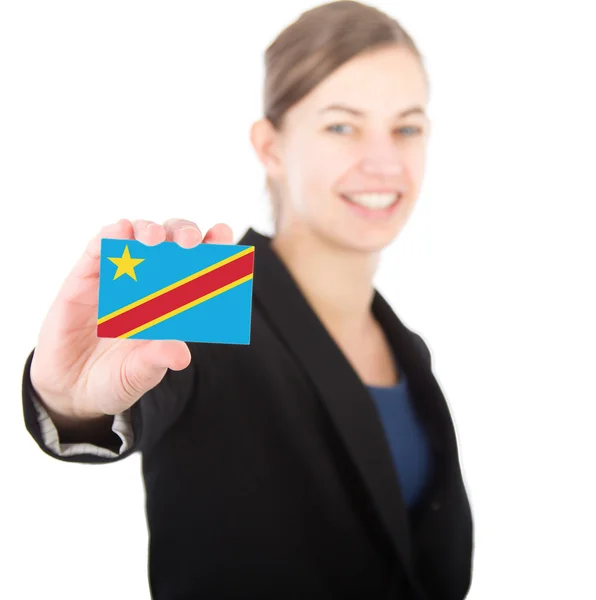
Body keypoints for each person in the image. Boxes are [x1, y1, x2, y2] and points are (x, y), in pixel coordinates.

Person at [21, 1, 474, 598]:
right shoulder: (200, 293)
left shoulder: (408, 348)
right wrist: (68, 401)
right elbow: (111, 394)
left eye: (406, 127)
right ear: (271, 148)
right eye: (342, 125)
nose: (384, 161)